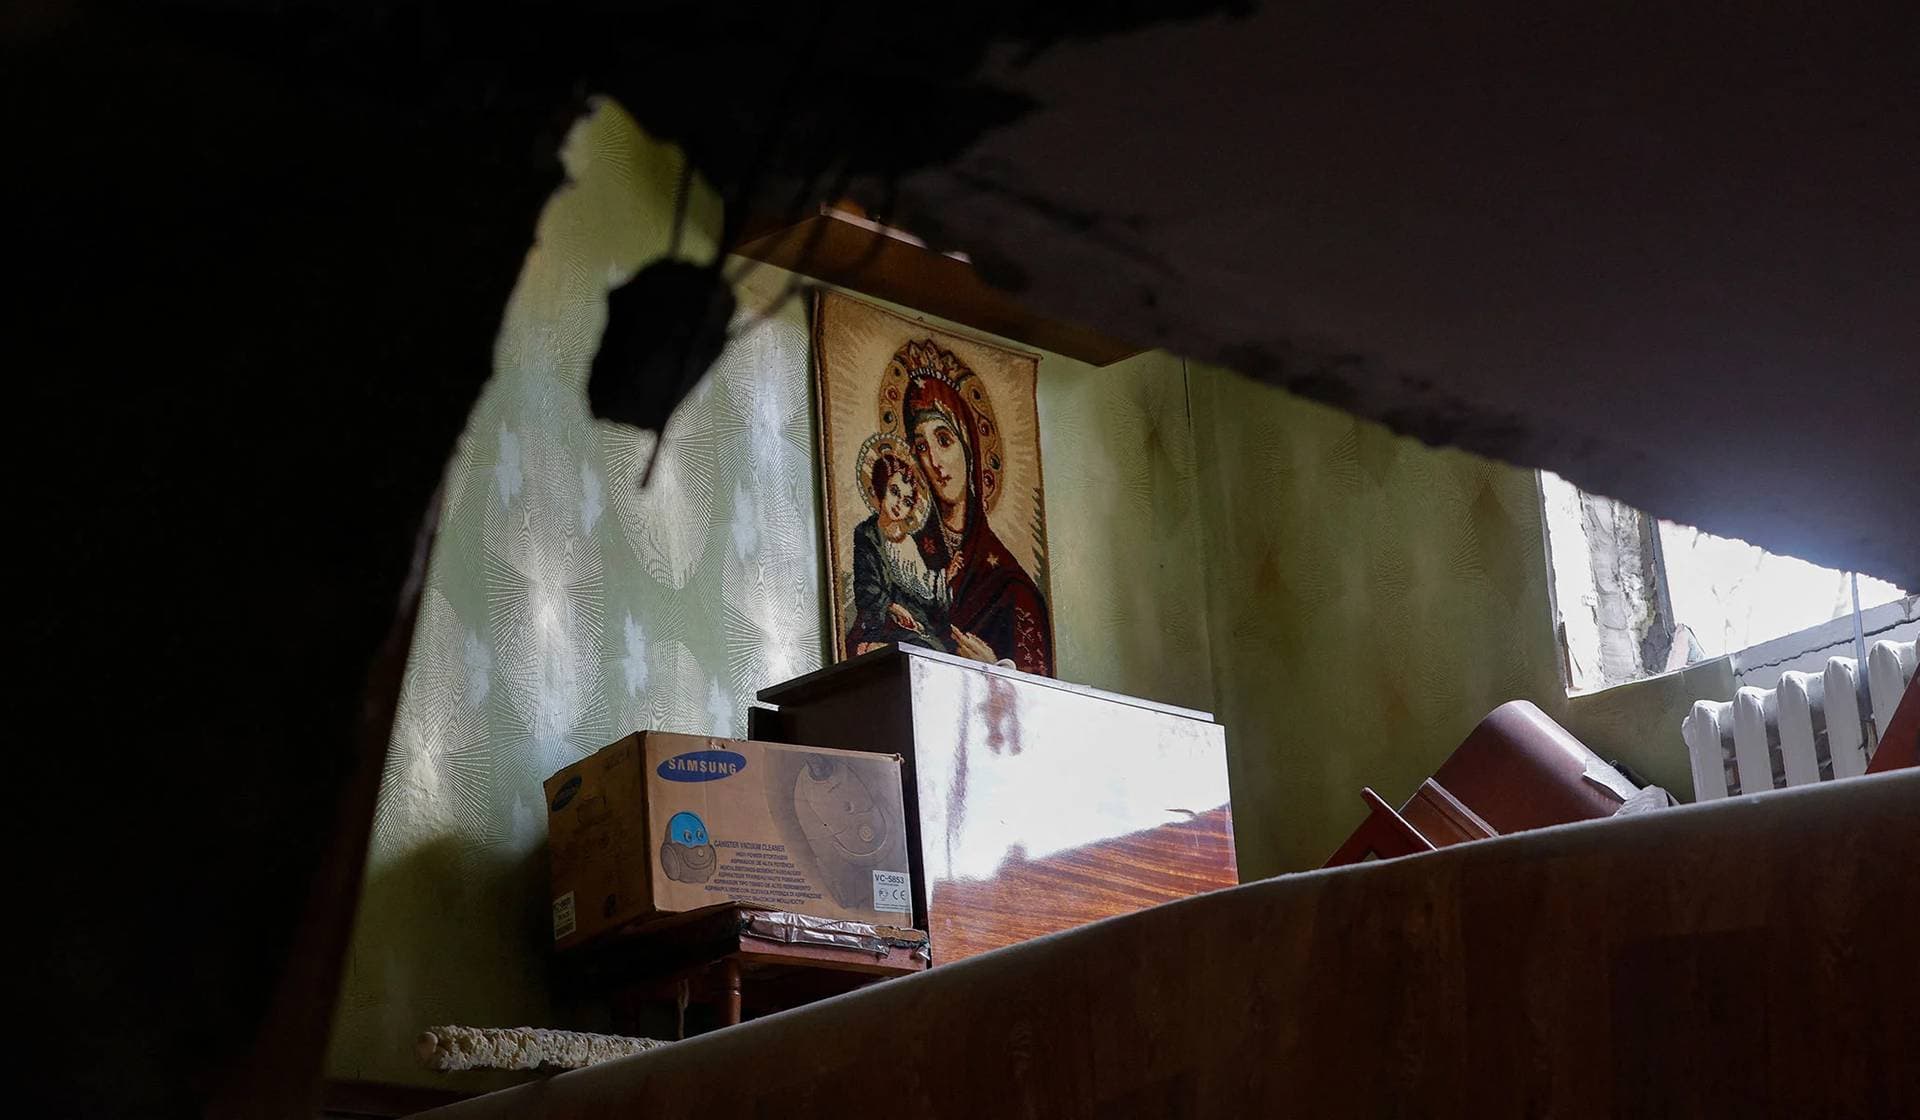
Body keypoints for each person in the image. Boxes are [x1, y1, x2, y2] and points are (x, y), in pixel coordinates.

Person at [902, 361, 1054, 675]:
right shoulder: (909, 555)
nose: (935, 461)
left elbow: (1038, 705)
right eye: (921, 446)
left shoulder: (1013, 590)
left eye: (944, 440)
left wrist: (994, 668)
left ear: (969, 447)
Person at [847, 443, 951, 655]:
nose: (898, 505)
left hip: (912, 617)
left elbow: (919, 584)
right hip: (880, 617)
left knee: (937, 650)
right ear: (880, 487)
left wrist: (944, 579)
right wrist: (890, 606)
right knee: (918, 649)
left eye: (906, 501)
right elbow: (866, 586)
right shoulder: (867, 534)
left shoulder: (908, 542)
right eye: (894, 492)